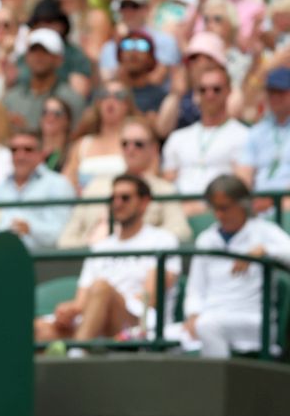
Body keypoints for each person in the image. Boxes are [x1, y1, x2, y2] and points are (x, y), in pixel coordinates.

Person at [35, 174, 180, 345]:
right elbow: (80, 302)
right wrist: (69, 311)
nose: (117, 203)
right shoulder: (100, 247)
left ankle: (76, 355)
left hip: (139, 326)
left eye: (125, 198)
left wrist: (105, 299)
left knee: (101, 288)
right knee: (38, 329)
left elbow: (148, 299)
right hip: (93, 323)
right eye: (114, 198)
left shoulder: (163, 241)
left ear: (144, 202)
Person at [182, 175, 290, 357]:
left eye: (224, 208)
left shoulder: (264, 231)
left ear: (243, 205)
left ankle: (218, 385)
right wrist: (192, 315)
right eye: (215, 208)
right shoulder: (206, 239)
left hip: (253, 321)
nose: (219, 215)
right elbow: (195, 289)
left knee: (207, 326)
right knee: (162, 332)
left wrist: (265, 250)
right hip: (210, 317)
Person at [60, 118, 190, 247]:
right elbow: (66, 239)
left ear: (154, 148)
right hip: (94, 261)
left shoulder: (164, 189)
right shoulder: (96, 186)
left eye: (138, 144)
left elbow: (181, 232)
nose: (130, 149)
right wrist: (96, 244)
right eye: (125, 144)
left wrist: (135, 240)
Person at [162, 66, 247, 203]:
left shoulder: (244, 135)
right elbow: (168, 182)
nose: (209, 95)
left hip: (222, 209)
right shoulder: (177, 137)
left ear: (229, 91)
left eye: (216, 89)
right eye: (203, 90)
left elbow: (242, 184)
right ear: (195, 94)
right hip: (180, 210)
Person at [0, 130, 76, 249]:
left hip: (43, 261)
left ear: (41, 154)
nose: (20, 156)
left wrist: (31, 228)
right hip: (0, 257)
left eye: (28, 150)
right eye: (14, 150)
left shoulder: (59, 185)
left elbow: (63, 233)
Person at [237, 67, 290, 201]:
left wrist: (272, 202)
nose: (275, 97)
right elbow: (244, 174)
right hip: (258, 204)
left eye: (281, 92)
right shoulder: (257, 131)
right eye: (271, 92)